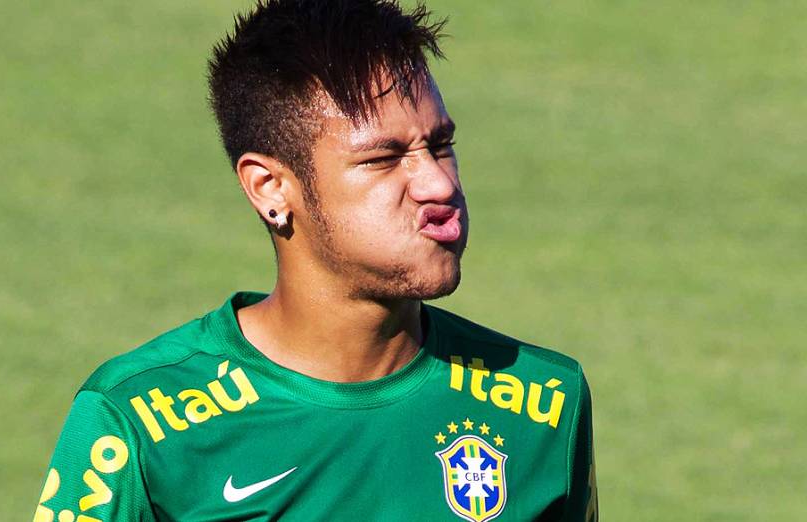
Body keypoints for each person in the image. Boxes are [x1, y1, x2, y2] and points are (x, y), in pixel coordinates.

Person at [32, 0, 597, 520]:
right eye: (384, 158)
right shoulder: (138, 422)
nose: (436, 183)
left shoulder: (546, 404)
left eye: (440, 145)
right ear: (271, 188)